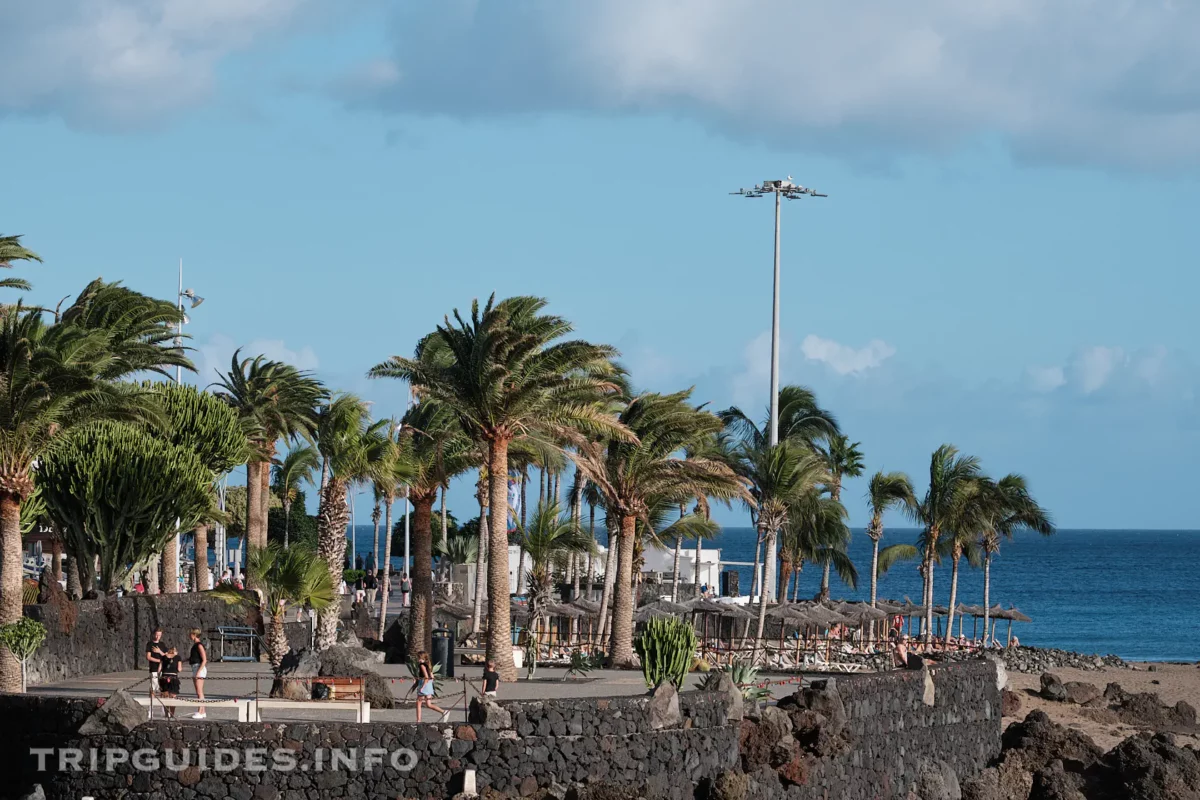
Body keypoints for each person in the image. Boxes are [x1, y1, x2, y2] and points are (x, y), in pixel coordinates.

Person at [414, 651, 450, 723]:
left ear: (421, 658)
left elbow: (426, 677)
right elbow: (432, 677)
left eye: (418, 658)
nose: (417, 659)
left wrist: (422, 687)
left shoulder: (421, 665)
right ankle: (444, 712)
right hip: (429, 685)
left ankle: (418, 721)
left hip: (424, 684)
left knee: (418, 702)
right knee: (428, 704)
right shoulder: (428, 665)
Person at [188, 628, 208, 719]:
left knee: (199, 691)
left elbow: (204, 660)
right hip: (194, 667)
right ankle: (203, 711)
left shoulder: (199, 645)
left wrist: (199, 671)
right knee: (198, 691)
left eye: (191, 634)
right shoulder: (195, 645)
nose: (189, 635)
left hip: (199, 668)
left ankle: (200, 711)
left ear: (194, 635)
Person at [159, 647, 182, 719]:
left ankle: (166, 715)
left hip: (164, 678)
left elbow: (159, 669)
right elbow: (179, 669)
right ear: (175, 652)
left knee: (165, 696)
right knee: (173, 697)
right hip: (173, 678)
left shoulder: (163, 657)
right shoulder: (178, 657)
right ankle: (172, 714)